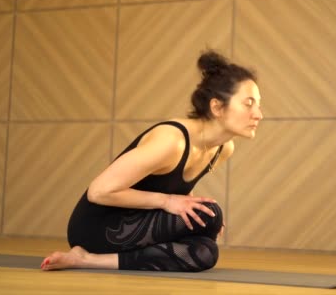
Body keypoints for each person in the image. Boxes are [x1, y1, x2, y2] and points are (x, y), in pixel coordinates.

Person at [41, 50, 262, 272]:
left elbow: (174, 189)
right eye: (248, 103)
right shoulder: (172, 141)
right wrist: (168, 202)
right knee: (211, 215)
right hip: (97, 226)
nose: (258, 114)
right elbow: (98, 191)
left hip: (140, 222)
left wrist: (194, 208)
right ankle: (85, 253)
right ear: (217, 107)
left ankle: (87, 260)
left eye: (258, 105)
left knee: (206, 252)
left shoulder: (223, 149)